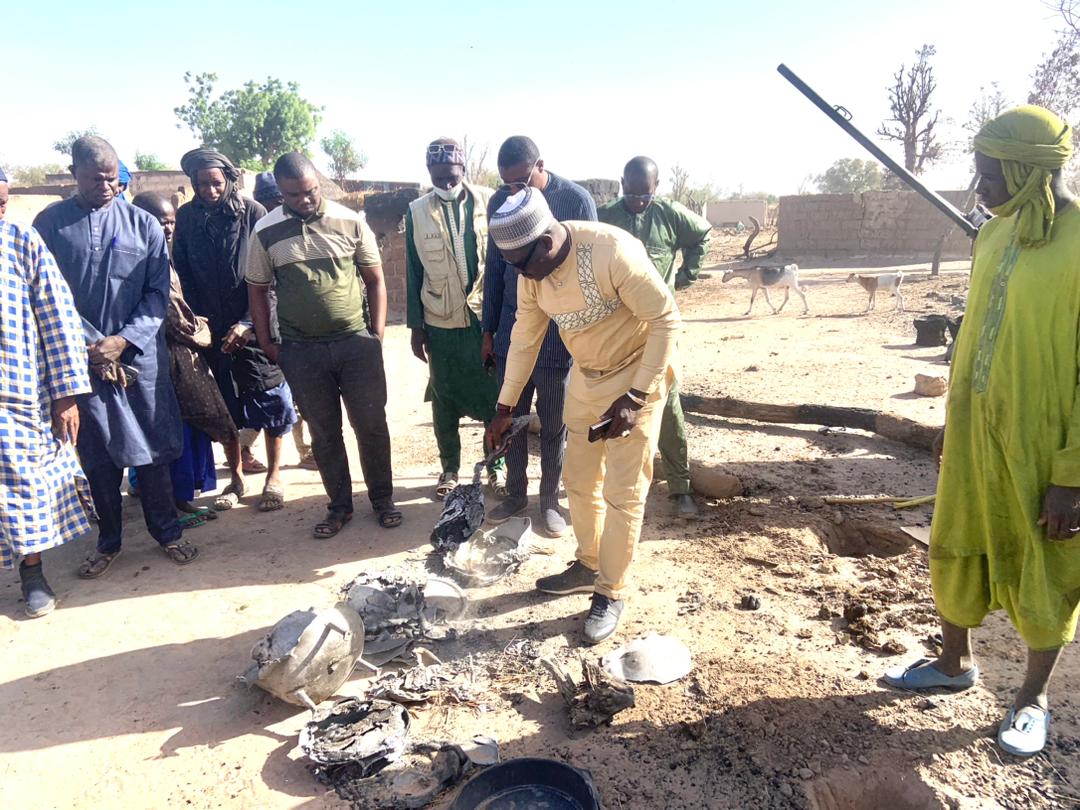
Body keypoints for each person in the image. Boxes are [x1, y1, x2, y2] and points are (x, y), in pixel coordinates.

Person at [883, 106, 1079, 758]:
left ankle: (1030, 699)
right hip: (974, 435)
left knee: (1045, 567)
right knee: (956, 538)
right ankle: (953, 662)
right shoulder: (993, 236)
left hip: (1042, 444)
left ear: (1026, 169)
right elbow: (974, 333)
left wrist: (1071, 477)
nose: (979, 186)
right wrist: (950, 421)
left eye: (990, 173)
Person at [487, 189, 680, 644]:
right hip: (586, 379)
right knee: (578, 479)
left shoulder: (612, 252)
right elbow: (524, 339)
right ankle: (588, 562)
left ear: (547, 243)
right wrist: (503, 407)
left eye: (520, 263)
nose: (519, 274)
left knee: (623, 493)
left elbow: (667, 320)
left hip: (637, 377)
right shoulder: (531, 274)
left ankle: (611, 591)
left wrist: (635, 396)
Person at [33, 136, 197, 578]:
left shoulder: (142, 225)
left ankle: (169, 533)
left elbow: (157, 292)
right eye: (94, 179)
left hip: (139, 361)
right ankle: (108, 542)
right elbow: (47, 296)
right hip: (79, 359)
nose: (105, 187)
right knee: (98, 455)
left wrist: (124, 340)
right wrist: (87, 344)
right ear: (74, 175)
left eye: (112, 178)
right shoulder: (48, 225)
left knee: (153, 449)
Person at [247, 152, 399, 538]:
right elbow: (258, 290)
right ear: (280, 192)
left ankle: (383, 501)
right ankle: (339, 507)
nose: (305, 200)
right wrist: (267, 342)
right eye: (294, 194)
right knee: (324, 432)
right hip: (302, 351)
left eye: (311, 190)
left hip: (355, 345)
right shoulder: (265, 231)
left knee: (371, 426)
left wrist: (376, 335)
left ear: (318, 182)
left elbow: (375, 280)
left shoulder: (350, 221)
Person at [481, 136, 596, 536]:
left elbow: (587, 273)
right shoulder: (501, 204)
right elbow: (495, 271)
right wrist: (488, 330)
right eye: (506, 184)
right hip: (518, 327)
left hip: (560, 335)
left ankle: (549, 501)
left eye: (521, 181)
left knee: (553, 423)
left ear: (540, 166)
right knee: (508, 416)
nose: (514, 191)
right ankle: (514, 493)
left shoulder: (577, 201)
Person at [173, 149, 296, 514]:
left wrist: (247, 322)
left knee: (271, 399)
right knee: (225, 404)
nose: (210, 190)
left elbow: (268, 277)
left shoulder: (253, 213)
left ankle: (274, 476)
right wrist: (199, 325)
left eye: (215, 182)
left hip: (255, 325)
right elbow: (183, 273)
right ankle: (237, 478)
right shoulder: (188, 218)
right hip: (211, 331)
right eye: (201, 184)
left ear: (229, 180)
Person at [0, 168, 94, 616]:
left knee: (23, 488)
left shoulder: (20, 241)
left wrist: (66, 394)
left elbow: (57, 318)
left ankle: (32, 573)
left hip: (17, 396)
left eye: (1, 203)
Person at [598, 156, 712, 520]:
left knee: (668, 402)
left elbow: (702, 234)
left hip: (659, 327)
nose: (636, 201)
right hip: (615, 328)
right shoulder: (605, 216)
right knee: (608, 401)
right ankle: (608, 489)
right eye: (630, 193)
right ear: (621, 184)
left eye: (643, 196)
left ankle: (680, 489)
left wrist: (684, 276)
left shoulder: (669, 214)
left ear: (656, 188)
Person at [132, 192, 238, 524]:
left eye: (170, 222)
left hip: (172, 354)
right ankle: (174, 503)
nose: (166, 228)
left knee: (189, 427)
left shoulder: (162, 254)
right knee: (178, 428)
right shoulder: (147, 260)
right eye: (158, 221)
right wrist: (203, 331)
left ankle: (180, 498)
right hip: (167, 357)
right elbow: (174, 317)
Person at [406, 138, 502, 500]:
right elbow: (413, 271)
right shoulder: (415, 210)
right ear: (429, 173)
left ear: (463, 171)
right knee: (444, 396)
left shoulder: (489, 201)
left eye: (451, 176)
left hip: (483, 319)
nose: (446, 183)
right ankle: (449, 468)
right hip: (441, 322)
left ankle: (496, 465)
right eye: (438, 177)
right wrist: (417, 327)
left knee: (495, 394)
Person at [253, 170, 316, 472]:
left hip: (299, 328)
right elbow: (257, 289)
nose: (270, 205)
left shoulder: (298, 228)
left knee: (304, 396)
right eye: (264, 200)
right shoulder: (260, 233)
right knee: (277, 397)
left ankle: (308, 451)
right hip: (273, 332)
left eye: (275, 199)